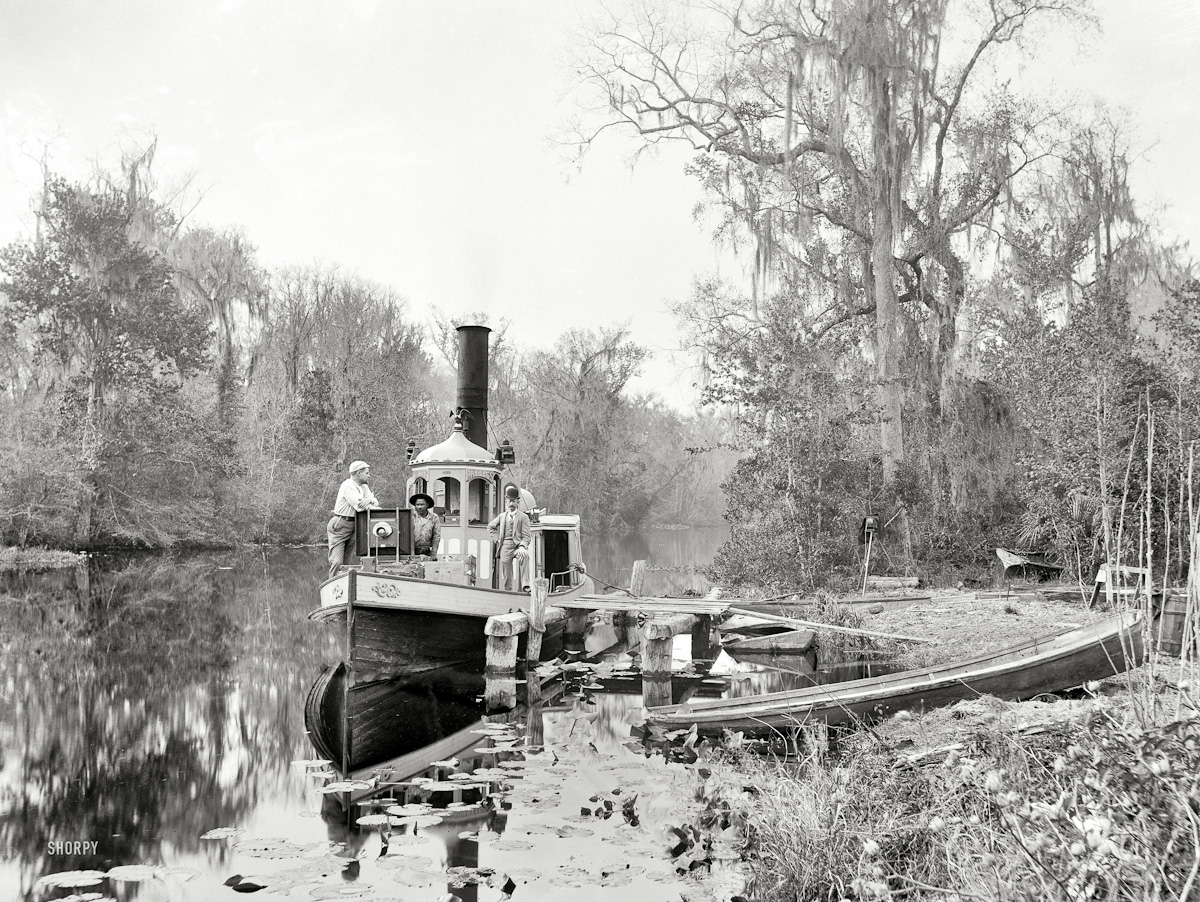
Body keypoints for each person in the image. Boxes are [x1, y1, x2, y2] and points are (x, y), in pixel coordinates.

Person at [327, 460, 380, 578]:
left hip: (354, 524)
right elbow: (360, 506)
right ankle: (332, 587)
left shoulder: (363, 486)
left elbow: (375, 501)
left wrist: (369, 500)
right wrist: (369, 501)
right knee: (337, 562)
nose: (369, 475)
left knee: (345, 564)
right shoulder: (347, 485)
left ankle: (344, 589)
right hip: (340, 523)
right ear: (358, 473)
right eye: (366, 473)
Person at [488, 484, 531, 591]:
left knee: (524, 556)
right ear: (506, 502)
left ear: (518, 502)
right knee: (507, 572)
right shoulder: (502, 516)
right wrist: (497, 538)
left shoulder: (523, 517)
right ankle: (509, 591)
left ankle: (526, 585)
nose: (511, 504)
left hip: (517, 546)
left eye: (513, 501)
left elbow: (526, 536)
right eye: (509, 501)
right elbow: (490, 527)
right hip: (505, 547)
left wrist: (522, 547)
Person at [409, 492, 441, 558]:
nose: (419, 507)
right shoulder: (410, 517)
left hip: (427, 552)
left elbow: (436, 536)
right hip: (412, 551)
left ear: (427, 505)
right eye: (417, 505)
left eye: (422, 504)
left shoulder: (434, 518)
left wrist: (434, 553)